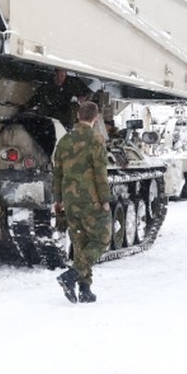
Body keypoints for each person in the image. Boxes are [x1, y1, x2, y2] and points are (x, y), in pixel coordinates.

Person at [52, 100, 113, 304]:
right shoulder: (96, 139)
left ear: (78, 116)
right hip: (91, 199)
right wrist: (105, 199)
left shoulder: (64, 141)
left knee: (80, 242)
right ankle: (71, 275)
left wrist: (57, 200)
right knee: (101, 238)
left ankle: (85, 290)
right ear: (95, 118)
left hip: (70, 200)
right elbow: (100, 173)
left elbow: (57, 173)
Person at [24, 68, 93, 130]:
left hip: (65, 116)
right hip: (49, 115)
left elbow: (88, 92)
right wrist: (25, 106)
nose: (60, 78)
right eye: (58, 76)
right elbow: (36, 98)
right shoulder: (47, 85)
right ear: (55, 75)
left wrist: (84, 97)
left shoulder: (72, 82)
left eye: (63, 76)